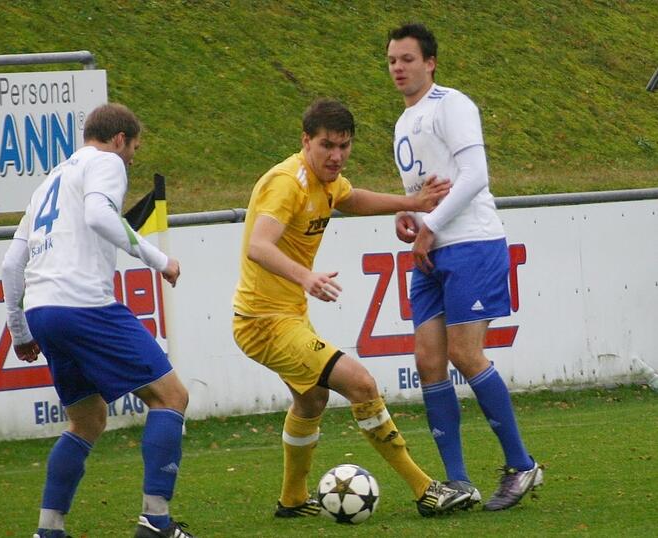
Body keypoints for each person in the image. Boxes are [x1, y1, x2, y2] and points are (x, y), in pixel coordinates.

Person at [232, 98, 469, 519]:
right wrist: (306, 278)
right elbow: (258, 246)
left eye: (344, 146)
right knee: (361, 384)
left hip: (285, 317)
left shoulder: (326, 182)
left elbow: (352, 198)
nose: (337, 156)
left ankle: (292, 501)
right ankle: (425, 490)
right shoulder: (287, 182)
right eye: (327, 145)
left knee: (311, 402)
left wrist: (410, 203)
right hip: (264, 322)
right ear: (306, 141)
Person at [1, 103, 194, 538]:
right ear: (121, 139)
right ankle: (157, 522)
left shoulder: (50, 180)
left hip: (44, 310)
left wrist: (19, 328)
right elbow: (99, 215)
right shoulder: (106, 161)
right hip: (83, 304)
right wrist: (160, 259)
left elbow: (12, 265)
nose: (130, 160)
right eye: (134, 150)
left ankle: (49, 531)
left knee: (87, 421)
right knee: (172, 397)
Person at [386, 22, 544, 511]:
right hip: (431, 249)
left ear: (430, 62)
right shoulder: (402, 122)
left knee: (464, 353)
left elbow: (476, 175)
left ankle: (522, 465)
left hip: (471, 243)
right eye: (392, 60)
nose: (398, 67)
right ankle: (458, 481)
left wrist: (429, 223)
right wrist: (408, 214)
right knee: (428, 361)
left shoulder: (451, 105)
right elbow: (431, 185)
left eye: (407, 59)